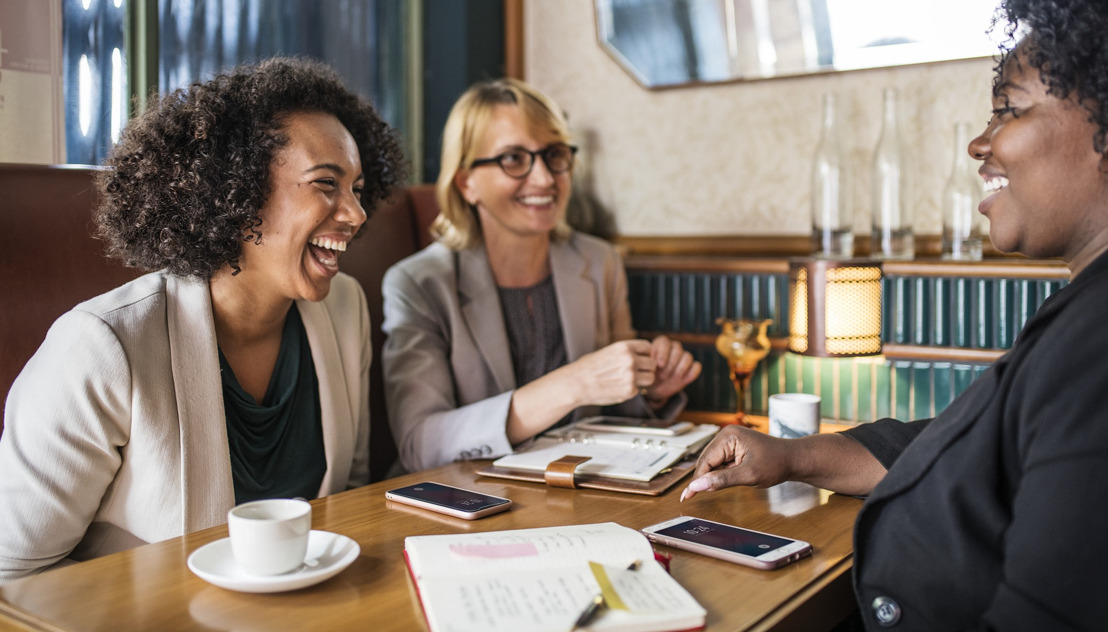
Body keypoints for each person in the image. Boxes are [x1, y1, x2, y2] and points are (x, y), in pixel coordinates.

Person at [682, 1, 1108, 629]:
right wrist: (790, 456)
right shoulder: (1082, 312)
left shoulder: (1096, 348)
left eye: (1008, 109)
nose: (979, 142)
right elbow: (962, 446)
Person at [0, 58, 406, 581]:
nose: (356, 212)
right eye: (327, 183)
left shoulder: (344, 308)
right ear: (235, 193)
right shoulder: (101, 347)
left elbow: (347, 496)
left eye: (356, 188)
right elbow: (12, 573)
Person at [382, 78, 701, 473]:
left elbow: (615, 412)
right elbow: (419, 444)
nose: (545, 179)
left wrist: (650, 390)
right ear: (467, 183)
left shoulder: (599, 262)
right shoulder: (418, 283)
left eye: (554, 154)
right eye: (513, 158)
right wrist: (574, 383)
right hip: (468, 504)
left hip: (581, 492)